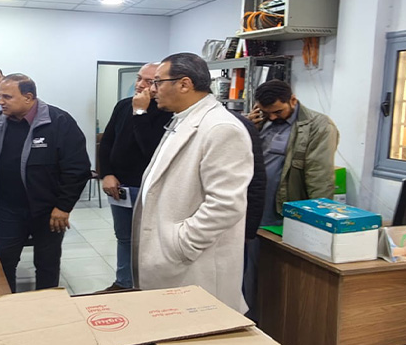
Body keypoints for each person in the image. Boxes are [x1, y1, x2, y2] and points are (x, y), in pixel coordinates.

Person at [132, 53, 254, 312]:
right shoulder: (183, 119)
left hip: (192, 262)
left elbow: (226, 205)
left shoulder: (221, 128)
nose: (152, 90)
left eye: (158, 82)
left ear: (184, 84)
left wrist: (181, 244)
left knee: (195, 328)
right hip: (170, 257)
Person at [0, 73, 90, 292]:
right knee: (2, 261)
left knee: (47, 265)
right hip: (9, 208)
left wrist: (64, 206)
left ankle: (46, 307)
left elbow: (78, 169)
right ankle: (7, 305)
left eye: (7, 97)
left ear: (28, 98)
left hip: (49, 211)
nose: (0, 102)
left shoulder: (59, 122)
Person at [243, 79, 339, 319]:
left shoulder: (318, 126)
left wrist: (321, 219)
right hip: (252, 207)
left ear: (293, 100)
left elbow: (319, 175)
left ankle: (268, 321)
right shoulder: (260, 121)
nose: (273, 117)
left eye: (278, 111)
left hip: (283, 210)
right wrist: (248, 128)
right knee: (247, 269)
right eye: (267, 112)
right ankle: (249, 316)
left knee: (275, 272)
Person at [98, 62, 172, 291]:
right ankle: (124, 283)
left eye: (149, 81)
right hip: (120, 187)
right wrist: (106, 174)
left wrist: (141, 112)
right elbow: (107, 142)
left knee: (149, 241)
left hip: (149, 189)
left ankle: (146, 287)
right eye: (139, 78)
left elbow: (151, 151)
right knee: (124, 238)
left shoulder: (167, 110)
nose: (140, 84)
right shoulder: (123, 106)